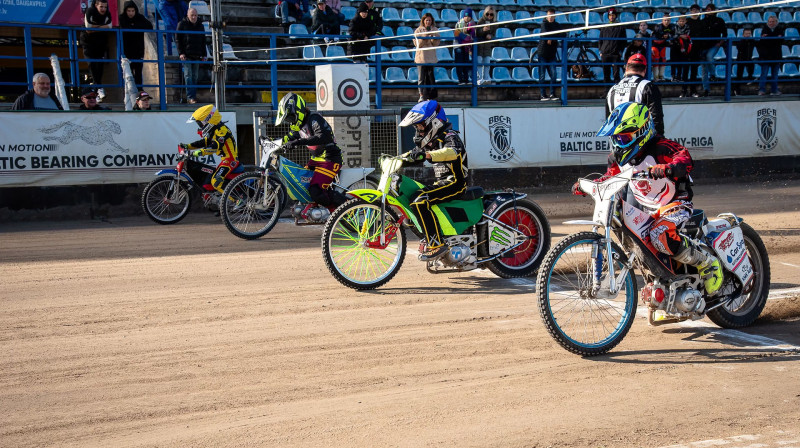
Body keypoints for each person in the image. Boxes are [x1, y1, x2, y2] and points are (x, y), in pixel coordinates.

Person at [573, 102, 722, 295]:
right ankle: (663, 287)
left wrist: (668, 168)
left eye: (624, 137)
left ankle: (707, 263)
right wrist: (589, 185)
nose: (619, 143)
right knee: (632, 237)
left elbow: (684, 157)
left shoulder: (661, 147)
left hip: (676, 203)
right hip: (646, 208)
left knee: (660, 234)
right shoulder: (616, 158)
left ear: (641, 131)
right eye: (615, 138)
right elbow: (610, 178)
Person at [398, 100, 468, 261]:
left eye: (420, 126)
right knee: (409, 202)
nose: (419, 131)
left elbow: (452, 152)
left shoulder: (450, 136)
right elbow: (412, 155)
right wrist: (395, 159)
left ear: (434, 122)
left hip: (455, 184)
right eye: (417, 127)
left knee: (420, 201)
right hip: (441, 184)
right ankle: (428, 236)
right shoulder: (431, 142)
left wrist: (427, 155)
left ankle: (436, 244)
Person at [275, 93, 347, 208]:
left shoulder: (314, 119)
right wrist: (270, 142)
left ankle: (345, 208)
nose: (290, 121)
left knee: (316, 191)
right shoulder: (298, 126)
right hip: (315, 160)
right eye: (288, 119)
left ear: (298, 111)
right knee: (301, 184)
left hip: (330, 159)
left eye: (291, 117)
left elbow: (323, 136)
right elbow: (286, 138)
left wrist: (298, 142)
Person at [179, 104, 242, 195]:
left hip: (230, 160)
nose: (200, 126)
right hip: (224, 161)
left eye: (201, 123)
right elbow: (204, 142)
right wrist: (187, 146)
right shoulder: (214, 130)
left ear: (209, 119)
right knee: (209, 180)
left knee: (216, 181)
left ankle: (239, 199)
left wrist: (199, 152)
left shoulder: (222, 130)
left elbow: (216, 146)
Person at [605, 53, 665, 136]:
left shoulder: (612, 89)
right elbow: (656, 116)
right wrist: (659, 136)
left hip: (617, 141)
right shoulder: (647, 86)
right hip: (641, 141)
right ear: (645, 69)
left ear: (626, 68)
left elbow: (608, 120)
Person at [81, 0, 112, 102]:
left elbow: (110, 27)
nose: (103, 9)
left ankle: (97, 90)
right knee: (92, 64)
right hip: (88, 43)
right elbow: (88, 28)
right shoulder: (90, 11)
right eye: (101, 7)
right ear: (96, 5)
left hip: (100, 44)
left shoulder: (108, 13)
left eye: (105, 7)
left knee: (100, 66)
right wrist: (102, 27)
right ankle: (99, 88)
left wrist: (95, 28)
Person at [119, 0, 153, 88]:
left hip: (138, 51)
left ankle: (139, 94)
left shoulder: (140, 18)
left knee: (138, 74)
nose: (131, 13)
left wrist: (135, 26)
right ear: (125, 11)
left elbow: (150, 26)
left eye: (132, 11)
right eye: (128, 11)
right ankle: (131, 94)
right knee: (128, 75)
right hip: (126, 52)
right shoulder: (121, 18)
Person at [177, 8, 206, 104]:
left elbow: (203, 41)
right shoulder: (182, 24)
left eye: (195, 15)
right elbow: (178, 40)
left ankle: (192, 97)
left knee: (195, 76)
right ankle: (190, 97)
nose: (194, 17)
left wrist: (204, 54)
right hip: (187, 55)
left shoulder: (200, 26)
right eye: (192, 15)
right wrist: (181, 53)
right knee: (188, 75)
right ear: (188, 15)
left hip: (197, 55)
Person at [699, 3, 726, 96]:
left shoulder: (719, 20)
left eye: (711, 9)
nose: (709, 11)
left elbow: (725, 34)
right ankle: (706, 89)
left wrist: (720, 43)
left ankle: (713, 75)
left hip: (714, 45)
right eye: (707, 9)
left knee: (709, 57)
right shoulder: (702, 21)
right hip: (703, 47)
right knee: (704, 68)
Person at [537, 8, 563, 100]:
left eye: (552, 15)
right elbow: (544, 33)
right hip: (542, 53)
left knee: (554, 74)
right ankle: (542, 94)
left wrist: (551, 37)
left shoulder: (557, 25)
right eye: (549, 15)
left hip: (552, 53)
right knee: (542, 75)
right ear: (546, 15)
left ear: (554, 16)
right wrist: (551, 37)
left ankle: (552, 93)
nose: (550, 17)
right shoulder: (544, 24)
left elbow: (562, 34)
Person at [414, 13, 440, 102]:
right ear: (423, 21)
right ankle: (421, 95)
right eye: (427, 20)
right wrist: (424, 37)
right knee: (421, 77)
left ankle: (431, 95)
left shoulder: (435, 30)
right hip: (421, 57)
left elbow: (436, 44)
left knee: (430, 77)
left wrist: (434, 37)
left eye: (430, 20)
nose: (428, 22)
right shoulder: (418, 30)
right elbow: (417, 44)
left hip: (431, 57)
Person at [757, 15, 784, 96]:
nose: (771, 23)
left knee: (775, 75)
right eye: (770, 21)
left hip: (776, 55)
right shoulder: (764, 29)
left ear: (776, 22)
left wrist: (771, 38)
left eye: (773, 21)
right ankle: (761, 90)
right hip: (765, 56)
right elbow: (764, 42)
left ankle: (774, 90)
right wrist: (775, 38)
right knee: (764, 74)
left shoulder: (780, 29)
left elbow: (781, 40)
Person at [599, 8, 626, 84]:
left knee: (616, 74)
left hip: (615, 53)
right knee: (606, 74)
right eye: (610, 15)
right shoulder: (604, 27)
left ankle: (616, 92)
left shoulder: (620, 27)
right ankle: (606, 92)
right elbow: (600, 40)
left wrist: (620, 51)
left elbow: (624, 41)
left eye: (613, 15)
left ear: (615, 16)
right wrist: (601, 51)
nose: (611, 17)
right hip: (605, 53)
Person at [475, 6, 497, 86]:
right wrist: (483, 30)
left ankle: (486, 78)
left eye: (491, 14)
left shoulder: (494, 23)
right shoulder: (481, 21)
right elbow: (477, 33)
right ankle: (479, 79)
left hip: (487, 45)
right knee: (479, 61)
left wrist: (490, 35)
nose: (489, 16)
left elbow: (494, 34)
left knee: (487, 62)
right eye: (487, 14)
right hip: (480, 44)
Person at [453, 8, 476, 85]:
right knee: (459, 62)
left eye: (469, 16)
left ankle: (466, 79)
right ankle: (461, 80)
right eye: (466, 16)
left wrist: (467, 39)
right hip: (458, 45)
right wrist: (466, 38)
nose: (467, 18)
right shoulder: (458, 24)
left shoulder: (472, 25)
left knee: (466, 62)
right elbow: (457, 35)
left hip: (466, 46)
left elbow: (473, 36)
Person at [685, 4, 703, 97]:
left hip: (697, 49)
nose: (695, 11)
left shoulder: (702, 23)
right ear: (690, 11)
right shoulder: (687, 22)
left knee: (694, 71)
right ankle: (683, 91)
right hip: (687, 49)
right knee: (685, 69)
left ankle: (693, 91)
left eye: (696, 10)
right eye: (693, 10)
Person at [671, 14, 692, 96]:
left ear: (685, 21)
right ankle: (675, 76)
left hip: (684, 48)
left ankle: (680, 77)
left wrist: (681, 36)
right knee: (675, 62)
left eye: (683, 21)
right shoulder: (674, 27)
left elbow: (687, 36)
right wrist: (680, 36)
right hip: (676, 47)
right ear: (678, 21)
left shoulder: (687, 27)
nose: (682, 22)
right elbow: (674, 35)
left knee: (682, 63)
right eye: (680, 21)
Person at [733, 26, 755, 96]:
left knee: (752, 66)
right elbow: (739, 48)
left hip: (748, 59)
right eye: (746, 34)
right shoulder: (741, 41)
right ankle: (736, 90)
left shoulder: (752, 41)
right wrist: (744, 41)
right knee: (739, 75)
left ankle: (749, 78)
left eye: (749, 34)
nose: (748, 35)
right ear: (743, 34)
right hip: (741, 60)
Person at [651, 12, 673, 81]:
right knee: (656, 59)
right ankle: (656, 77)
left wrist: (668, 36)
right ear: (662, 20)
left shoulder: (672, 27)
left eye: (668, 20)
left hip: (663, 45)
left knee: (663, 59)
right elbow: (655, 35)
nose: (666, 22)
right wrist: (663, 36)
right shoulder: (658, 26)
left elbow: (674, 34)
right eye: (665, 20)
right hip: (655, 45)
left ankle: (661, 76)